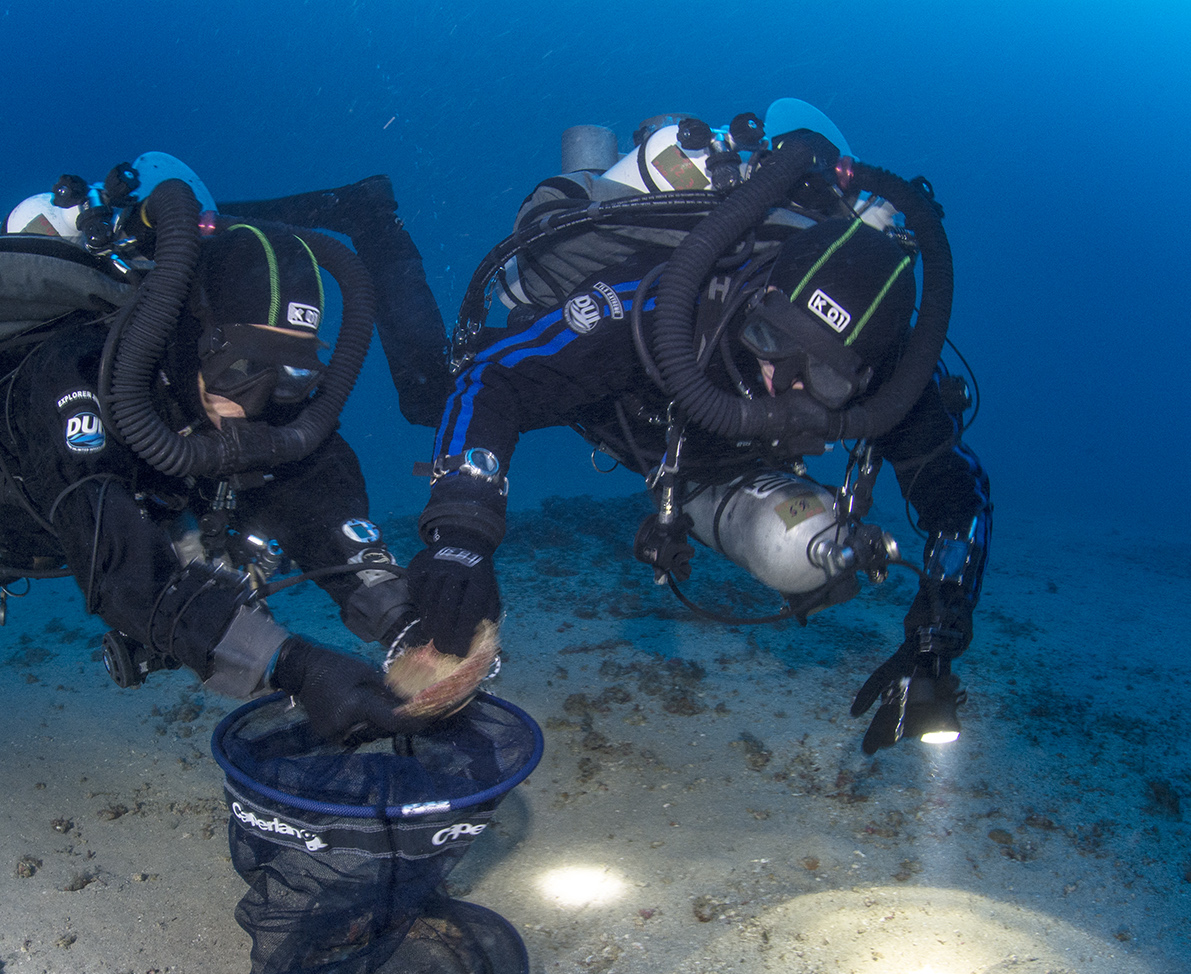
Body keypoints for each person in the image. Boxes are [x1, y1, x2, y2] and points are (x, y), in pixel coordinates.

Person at [396, 104, 993, 753]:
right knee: (431, 395)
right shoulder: (667, 300)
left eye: (820, 377)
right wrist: (463, 532)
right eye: (767, 337)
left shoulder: (894, 373)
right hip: (603, 390)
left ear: (869, 375)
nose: (775, 378)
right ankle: (380, 223)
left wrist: (937, 637)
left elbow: (957, 500)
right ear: (757, 299)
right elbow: (495, 374)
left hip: (697, 453)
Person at [0, 154, 441, 740]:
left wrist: (401, 617)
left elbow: (313, 484)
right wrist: (295, 667)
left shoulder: (237, 395)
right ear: (189, 339)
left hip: (92, 498)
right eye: (246, 370)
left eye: (296, 374)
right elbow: (129, 581)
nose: (268, 402)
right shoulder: (78, 379)